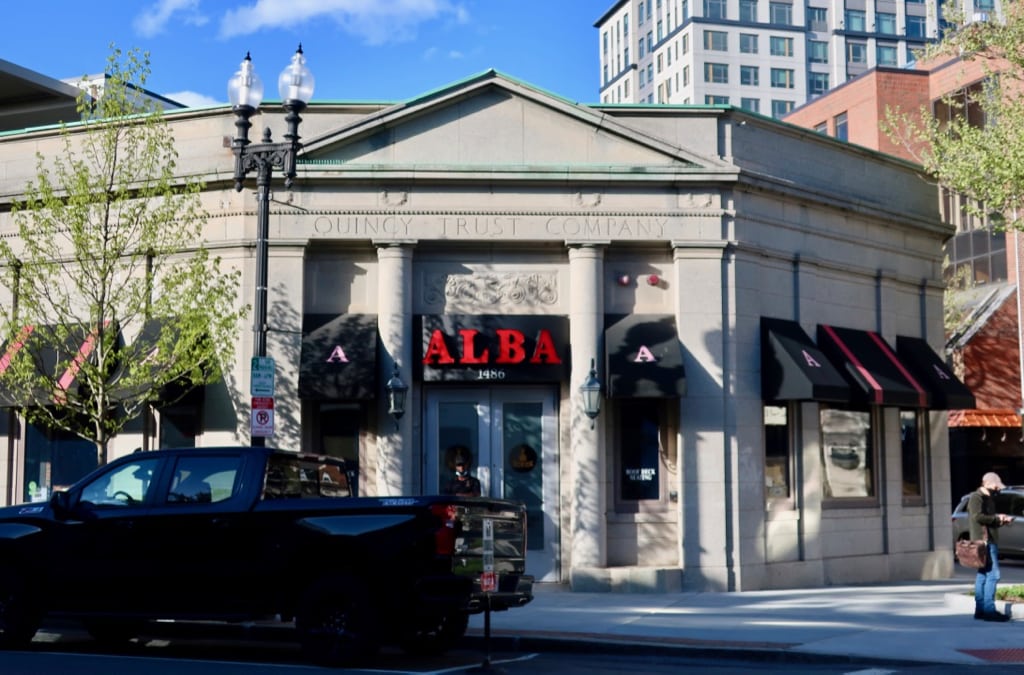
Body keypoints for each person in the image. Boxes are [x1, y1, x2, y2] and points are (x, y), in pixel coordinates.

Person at [968, 471, 1015, 622]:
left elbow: (988, 521)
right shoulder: (976, 498)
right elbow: (978, 517)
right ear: (987, 483)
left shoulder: (988, 498)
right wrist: (996, 518)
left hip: (989, 540)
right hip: (984, 542)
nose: (997, 488)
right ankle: (989, 610)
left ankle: (980, 610)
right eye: (995, 485)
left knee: (983, 575)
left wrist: (1001, 520)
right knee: (993, 575)